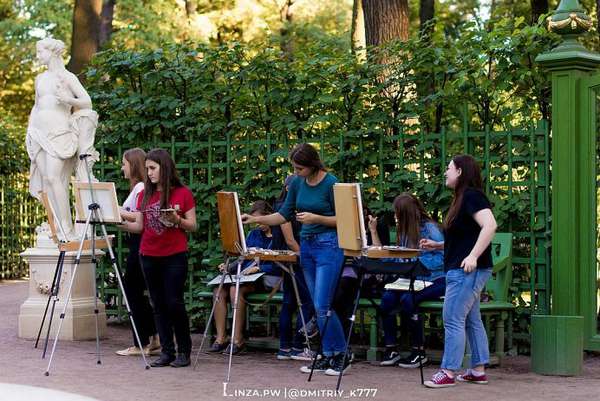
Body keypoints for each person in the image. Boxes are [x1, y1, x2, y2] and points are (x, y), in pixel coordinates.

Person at [242, 143, 349, 376]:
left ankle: (341, 354)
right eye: (294, 167)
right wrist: (252, 219)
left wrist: (316, 217)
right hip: (308, 248)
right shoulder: (298, 183)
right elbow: (283, 215)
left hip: (329, 246)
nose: (296, 171)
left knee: (323, 305)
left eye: (299, 167)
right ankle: (328, 355)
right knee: (316, 305)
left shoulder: (331, 182)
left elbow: (345, 219)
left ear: (312, 164)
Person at [422, 155, 497, 388]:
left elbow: (490, 225)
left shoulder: (472, 196)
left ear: (460, 172)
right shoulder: (463, 198)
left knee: (452, 318)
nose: (445, 172)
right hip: (466, 268)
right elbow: (466, 237)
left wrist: (473, 256)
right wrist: (438, 245)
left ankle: (448, 371)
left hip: (466, 271)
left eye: (449, 168)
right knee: (471, 320)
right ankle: (477, 370)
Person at [127, 148, 197, 368]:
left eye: (152, 168)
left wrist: (177, 220)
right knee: (157, 304)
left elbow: (193, 225)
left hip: (174, 255)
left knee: (174, 302)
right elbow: (139, 226)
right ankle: (167, 352)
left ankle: (184, 351)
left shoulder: (182, 193)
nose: (148, 173)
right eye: (147, 168)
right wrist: (112, 222)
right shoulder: (145, 194)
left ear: (164, 168)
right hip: (148, 255)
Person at [26, 38, 99, 241]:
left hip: (58, 133)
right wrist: (29, 130)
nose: (38, 56)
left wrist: (68, 100)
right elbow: (36, 105)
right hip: (38, 133)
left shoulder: (67, 77)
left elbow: (87, 102)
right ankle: (56, 227)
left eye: (40, 52)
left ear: (52, 52)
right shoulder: (39, 79)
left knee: (55, 177)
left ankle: (67, 228)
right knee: (47, 180)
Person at [375, 193, 445, 368]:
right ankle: (391, 349)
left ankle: (418, 351)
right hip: (410, 279)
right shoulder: (404, 230)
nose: (396, 217)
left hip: (435, 279)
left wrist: (416, 263)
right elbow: (402, 257)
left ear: (407, 213)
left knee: (409, 300)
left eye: (398, 213)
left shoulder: (429, 228)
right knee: (387, 300)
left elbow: (445, 256)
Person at [209, 200, 284, 355]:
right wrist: (228, 267)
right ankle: (221, 339)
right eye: (254, 220)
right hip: (247, 276)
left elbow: (283, 262)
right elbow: (244, 258)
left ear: (269, 216)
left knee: (236, 290)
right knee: (219, 290)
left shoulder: (280, 234)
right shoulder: (254, 234)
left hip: (269, 277)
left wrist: (259, 268)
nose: (257, 224)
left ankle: (237, 340)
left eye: (260, 220)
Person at [115, 148, 160, 357]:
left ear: (133, 165)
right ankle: (153, 337)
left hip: (139, 243)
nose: (122, 167)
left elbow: (139, 218)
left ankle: (140, 342)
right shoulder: (139, 188)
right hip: (138, 242)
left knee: (132, 291)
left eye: (124, 163)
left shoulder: (141, 187)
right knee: (138, 292)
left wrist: (116, 212)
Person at [275, 176, 316, 361]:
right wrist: (304, 256)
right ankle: (298, 346)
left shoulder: (283, 205)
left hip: (286, 260)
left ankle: (284, 348)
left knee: (289, 303)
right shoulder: (285, 208)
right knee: (306, 302)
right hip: (294, 260)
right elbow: (290, 239)